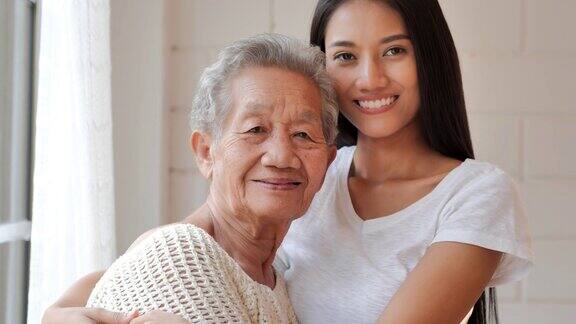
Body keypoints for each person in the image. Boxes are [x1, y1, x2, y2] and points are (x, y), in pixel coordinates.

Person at [42, 34, 338, 324]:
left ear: (328, 160)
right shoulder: (180, 256)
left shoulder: (273, 279)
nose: (281, 156)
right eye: (255, 129)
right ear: (206, 152)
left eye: (303, 134)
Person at [273, 0, 533, 323]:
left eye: (394, 51)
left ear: (429, 56)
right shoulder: (310, 177)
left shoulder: (476, 195)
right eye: (346, 56)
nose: (370, 79)